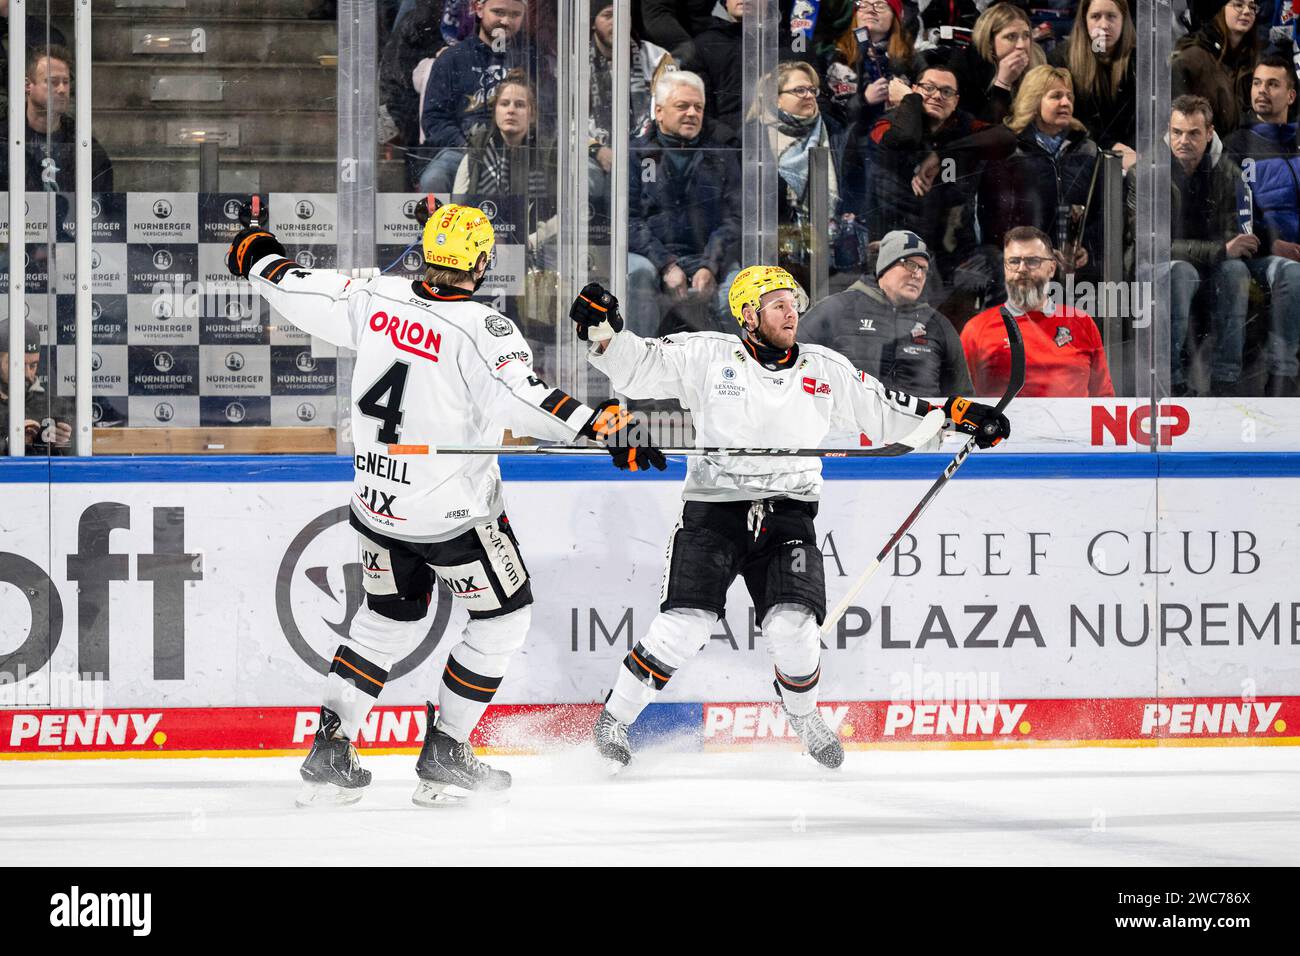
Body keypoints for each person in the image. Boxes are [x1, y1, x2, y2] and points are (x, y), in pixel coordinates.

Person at [225, 202, 666, 807]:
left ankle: (332, 747)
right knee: (504, 618)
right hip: (451, 516)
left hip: (377, 505)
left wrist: (257, 254)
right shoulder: (484, 329)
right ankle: (446, 751)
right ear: (482, 263)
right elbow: (524, 401)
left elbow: (294, 285)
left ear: (428, 252)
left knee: (385, 620)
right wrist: (605, 428)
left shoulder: (374, 296)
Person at [569, 266, 1010, 772]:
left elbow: (887, 410)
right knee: (684, 626)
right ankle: (615, 719)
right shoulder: (708, 354)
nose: (791, 312)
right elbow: (638, 365)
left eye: (794, 303)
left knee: (795, 628)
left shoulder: (823, 368)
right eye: (777, 303)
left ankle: (801, 713)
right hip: (715, 510)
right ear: (748, 314)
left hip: (788, 514)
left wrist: (957, 414)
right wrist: (603, 331)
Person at [626, 71, 742, 336]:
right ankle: (637, 369)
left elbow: (734, 219)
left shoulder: (722, 156)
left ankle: (733, 374)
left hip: (709, 256)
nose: (692, 113)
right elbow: (628, 220)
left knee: (737, 296)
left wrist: (710, 265)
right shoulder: (634, 154)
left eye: (698, 107)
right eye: (682, 106)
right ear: (659, 111)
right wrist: (666, 264)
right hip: (651, 257)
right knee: (638, 277)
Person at [866, 63, 1002, 288]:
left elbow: (1005, 138)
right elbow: (905, 138)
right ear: (913, 90)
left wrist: (943, 154)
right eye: (928, 88)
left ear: (956, 101)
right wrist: (910, 101)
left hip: (954, 254)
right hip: (898, 252)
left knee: (995, 263)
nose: (937, 96)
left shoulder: (964, 126)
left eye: (946, 92)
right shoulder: (886, 124)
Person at [800, 230, 973, 397]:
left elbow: (962, 398)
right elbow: (789, 361)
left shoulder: (938, 325)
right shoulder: (838, 309)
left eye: (923, 269)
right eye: (910, 264)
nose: (918, 274)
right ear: (885, 266)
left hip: (924, 425)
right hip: (850, 425)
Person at [961, 226, 1115, 396]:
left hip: (1070, 423)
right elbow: (960, 400)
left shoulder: (1081, 323)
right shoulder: (977, 329)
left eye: (1032, 261)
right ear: (1004, 269)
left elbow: (1104, 400)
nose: (1021, 269)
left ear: (1051, 268)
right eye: (1013, 262)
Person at [1224, 55, 1300, 394]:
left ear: (1291, 95)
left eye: (1272, 84)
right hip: (1261, 253)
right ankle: (1283, 376)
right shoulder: (1236, 145)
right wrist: (1273, 243)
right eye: (1257, 83)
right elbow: (1234, 208)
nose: (1262, 91)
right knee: (1290, 273)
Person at [975, 65, 1099, 272]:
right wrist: (1037, 253)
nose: (1066, 102)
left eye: (1069, 96)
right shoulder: (1008, 151)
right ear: (1034, 101)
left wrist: (1087, 248)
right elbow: (995, 221)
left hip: (1077, 272)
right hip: (1023, 270)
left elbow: (1100, 213)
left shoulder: (1088, 150)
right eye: (1056, 96)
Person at [1169, 96, 1255, 397]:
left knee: (1235, 272)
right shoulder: (1148, 173)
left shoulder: (1229, 172)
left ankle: (1225, 380)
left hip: (1210, 266)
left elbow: (1238, 239)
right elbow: (1152, 246)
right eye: (1176, 132)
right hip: (1166, 265)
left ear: (1209, 133)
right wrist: (1218, 250)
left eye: (1193, 133)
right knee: (1179, 272)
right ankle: (1172, 380)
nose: (1183, 141)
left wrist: (1223, 252)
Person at [418, 0, 533, 193]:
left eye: (515, 15)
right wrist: (468, 147)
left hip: (519, 152)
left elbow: (547, 115)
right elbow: (434, 119)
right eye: (498, 12)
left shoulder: (532, 60)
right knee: (434, 179)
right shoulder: (452, 59)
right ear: (479, 9)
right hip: (461, 152)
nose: (506, 20)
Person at [0, 45, 113, 192]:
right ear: (28, 85)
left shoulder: (84, 146)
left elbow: (101, 207)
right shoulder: (4, 139)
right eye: (53, 82)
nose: (62, 89)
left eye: (65, 82)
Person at [1048, 0, 1135, 167]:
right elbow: (1065, 119)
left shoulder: (1139, 61)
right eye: (1095, 16)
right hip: (1081, 157)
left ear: (1123, 20)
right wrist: (1111, 147)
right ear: (1084, 20)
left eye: (1111, 16)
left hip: (1134, 158)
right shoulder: (1061, 59)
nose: (1104, 25)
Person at [824, 0, 922, 131]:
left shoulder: (910, 59)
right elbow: (827, 112)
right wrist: (864, 100)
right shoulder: (835, 56)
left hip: (893, 139)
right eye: (863, 5)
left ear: (894, 16)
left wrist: (906, 99)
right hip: (845, 141)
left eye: (880, 5)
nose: (870, 10)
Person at [946, 2, 1047, 126]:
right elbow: (980, 130)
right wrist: (1003, 84)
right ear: (989, 41)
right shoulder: (965, 65)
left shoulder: (1038, 59)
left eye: (1026, 36)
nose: (1021, 45)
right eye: (1011, 37)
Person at [1172, 0, 1259, 136]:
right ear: (1220, 9)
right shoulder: (1191, 61)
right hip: (1206, 153)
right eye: (1239, 5)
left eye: (1252, 7)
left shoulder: (1255, 60)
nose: (1247, 11)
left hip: (1245, 151)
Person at [0, 319, 72, 455]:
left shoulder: (56, 407)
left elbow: (85, 464)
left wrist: (66, 445)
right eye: (17, 364)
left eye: (33, 365)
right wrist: (10, 443)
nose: (27, 374)